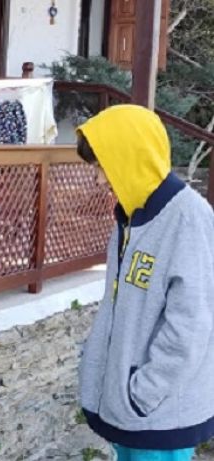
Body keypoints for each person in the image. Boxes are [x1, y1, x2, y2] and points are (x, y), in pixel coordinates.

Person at [76, 105, 214, 461]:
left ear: (131, 157)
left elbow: (191, 324)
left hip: (158, 415)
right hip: (131, 409)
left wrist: (143, 392)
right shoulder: (129, 218)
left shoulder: (189, 219)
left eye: (103, 167)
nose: (100, 180)